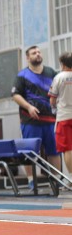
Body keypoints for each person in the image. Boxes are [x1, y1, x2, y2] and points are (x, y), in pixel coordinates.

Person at [12, 45, 61, 190]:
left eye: (39, 52)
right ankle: (31, 180)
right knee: (31, 152)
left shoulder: (51, 72)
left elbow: (58, 91)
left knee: (54, 151)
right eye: (34, 53)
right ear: (28, 57)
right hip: (30, 120)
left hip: (51, 120)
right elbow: (15, 95)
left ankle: (56, 180)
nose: (37, 54)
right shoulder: (22, 76)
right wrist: (28, 107)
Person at [48, 52, 72, 191]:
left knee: (68, 149)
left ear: (62, 64)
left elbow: (52, 100)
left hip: (64, 117)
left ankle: (71, 180)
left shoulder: (59, 77)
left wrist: (53, 109)